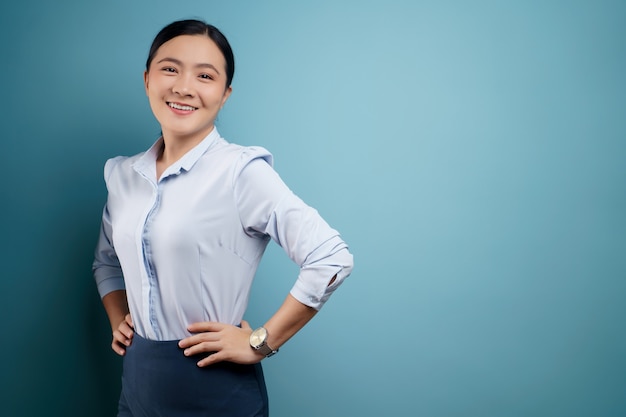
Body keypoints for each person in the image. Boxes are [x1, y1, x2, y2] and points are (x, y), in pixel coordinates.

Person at [92, 18, 353, 417]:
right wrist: (119, 318)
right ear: (147, 79)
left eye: (205, 75)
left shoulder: (241, 172)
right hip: (138, 384)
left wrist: (260, 342)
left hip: (214, 390)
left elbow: (331, 257)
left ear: (225, 94)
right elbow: (107, 262)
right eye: (169, 68)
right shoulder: (123, 176)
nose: (183, 87)